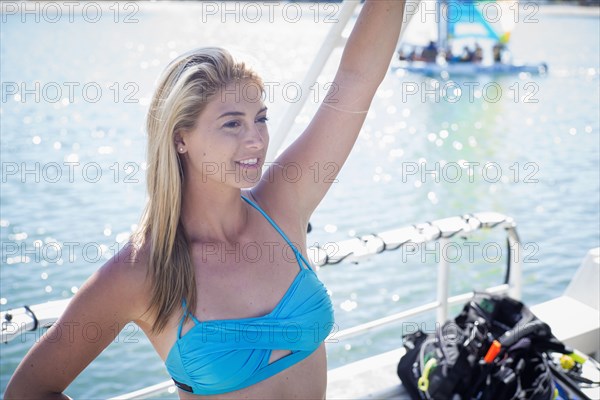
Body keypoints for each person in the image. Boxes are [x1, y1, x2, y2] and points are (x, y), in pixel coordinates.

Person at [4, 1, 406, 399]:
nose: (256, 139)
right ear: (181, 138)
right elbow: (29, 391)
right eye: (232, 123)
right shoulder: (141, 271)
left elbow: (357, 78)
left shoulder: (284, 203)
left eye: (260, 118)